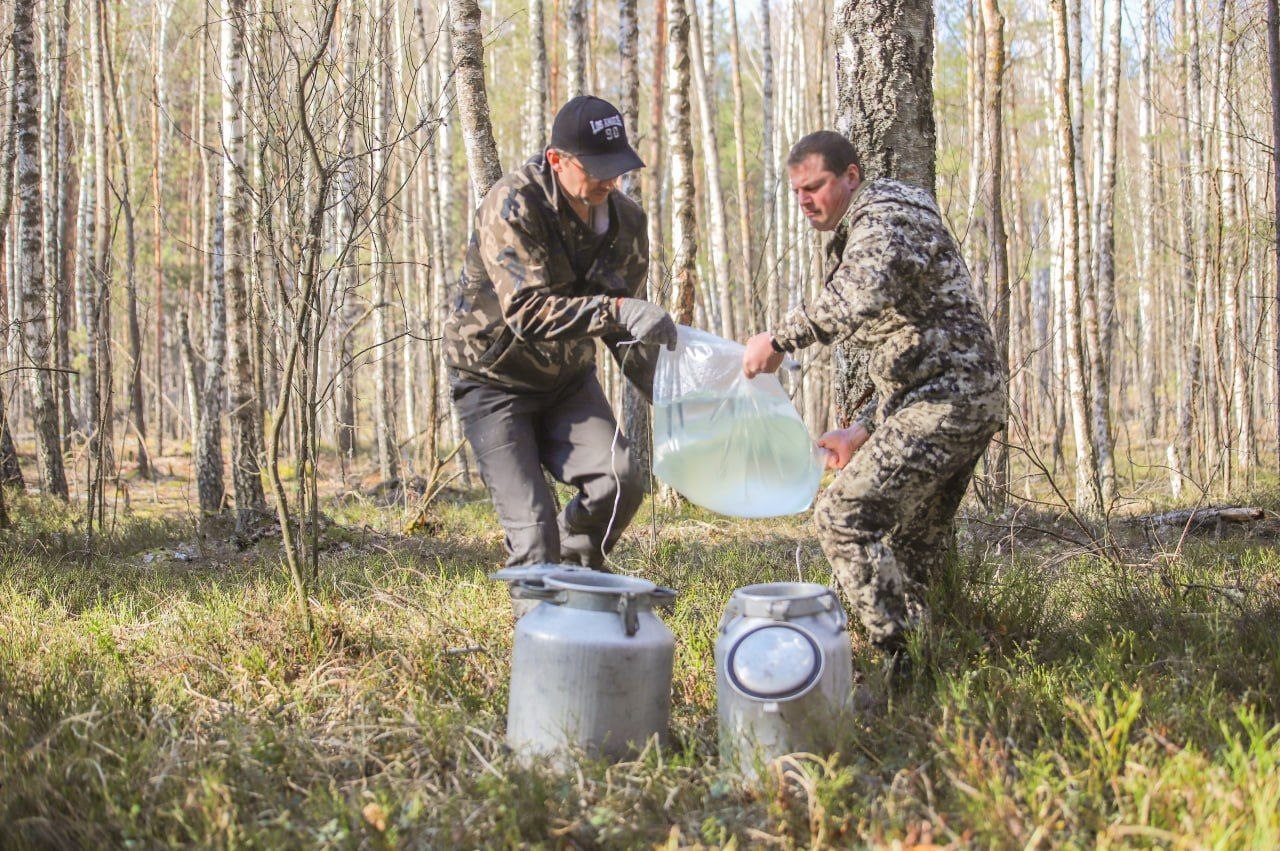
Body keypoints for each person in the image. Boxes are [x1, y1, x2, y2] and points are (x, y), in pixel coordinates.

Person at [742, 130, 1006, 674]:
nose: (805, 201)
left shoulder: (886, 216)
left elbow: (861, 293)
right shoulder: (876, 220)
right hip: (947, 396)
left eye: (815, 186)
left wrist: (777, 340)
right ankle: (932, 687)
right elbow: (907, 342)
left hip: (948, 402)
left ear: (851, 177)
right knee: (912, 549)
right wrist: (861, 429)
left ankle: (907, 663)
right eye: (797, 192)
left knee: (842, 518)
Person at [444, 96, 676, 570]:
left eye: (618, 167)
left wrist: (675, 398)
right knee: (533, 533)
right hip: (492, 382)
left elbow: (623, 333)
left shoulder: (627, 223)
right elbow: (527, 313)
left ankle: (576, 571)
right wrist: (616, 309)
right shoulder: (513, 204)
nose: (611, 180)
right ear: (556, 160)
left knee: (623, 479)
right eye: (597, 169)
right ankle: (541, 630)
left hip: (566, 382)